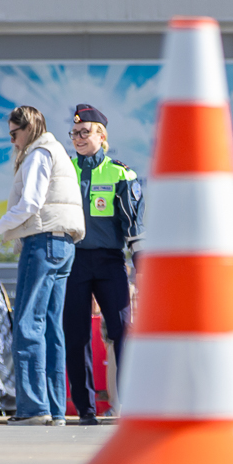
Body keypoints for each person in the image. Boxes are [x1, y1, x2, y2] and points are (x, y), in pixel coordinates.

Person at [0, 106, 85, 425]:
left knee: (28, 323)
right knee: (52, 328)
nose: (13, 142)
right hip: (64, 244)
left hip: (42, 243)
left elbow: (30, 203)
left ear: (28, 128)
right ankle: (55, 410)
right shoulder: (58, 151)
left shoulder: (39, 152)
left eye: (14, 134)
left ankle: (33, 408)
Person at [63, 104, 144, 426]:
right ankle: (86, 409)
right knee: (76, 334)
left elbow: (133, 224)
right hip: (74, 260)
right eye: (75, 133)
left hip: (110, 262)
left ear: (102, 136)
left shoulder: (121, 173)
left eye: (85, 132)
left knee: (123, 331)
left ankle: (132, 406)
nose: (79, 138)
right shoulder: (64, 170)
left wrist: (140, 264)